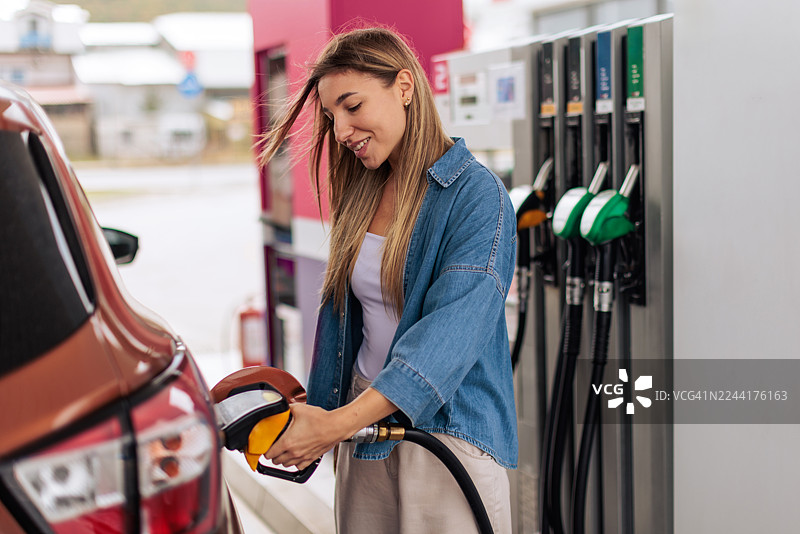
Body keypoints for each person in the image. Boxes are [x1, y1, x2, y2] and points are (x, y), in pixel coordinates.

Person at [258, 26, 518, 533]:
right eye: (332, 116)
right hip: (364, 428)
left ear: (404, 87)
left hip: (444, 437)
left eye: (353, 106)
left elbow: (447, 337)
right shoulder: (361, 191)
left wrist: (335, 424)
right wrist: (322, 413)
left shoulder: (476, 197)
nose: (341, 130)